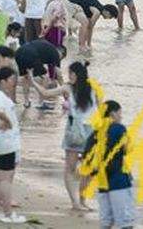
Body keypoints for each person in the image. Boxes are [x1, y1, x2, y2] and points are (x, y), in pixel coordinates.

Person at [30, 61, 98, 211]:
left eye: (72, 73)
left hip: (79, 131)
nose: (70, 76)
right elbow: (46, 93)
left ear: (78, 74)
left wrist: (32, 81)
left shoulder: (79, 88)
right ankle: (78, 201)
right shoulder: (84, 88)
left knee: (77, 169)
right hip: (85, 131)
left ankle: (79, 201)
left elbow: (45, 93)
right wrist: (33, 82)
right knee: (77, 168)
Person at [84, 99, 136, 228]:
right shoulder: (119, 128)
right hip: (119, 178)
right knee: (125, 220)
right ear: (113, 113)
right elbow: (126, 149)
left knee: (106, 220)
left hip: (102, 180)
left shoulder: (97, 130)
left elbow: (86, 154)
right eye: (120, 113)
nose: (121, 116)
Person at [0, 67, 25, 223]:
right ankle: (8, 214)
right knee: (5, 179)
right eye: (12, 80)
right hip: (3, 142)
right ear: (3, 81)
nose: (14, 83)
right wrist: (8, 121)